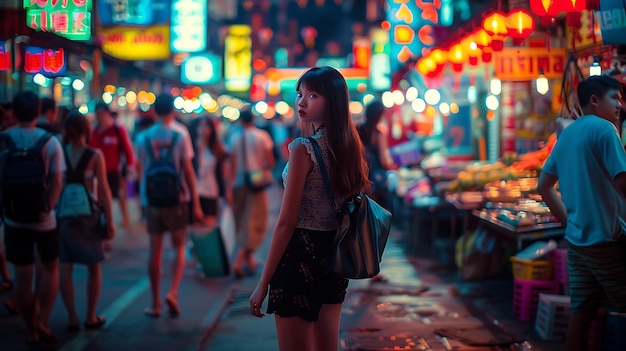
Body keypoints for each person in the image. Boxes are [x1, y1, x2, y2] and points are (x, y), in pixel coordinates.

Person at [249, 67, 369, 351]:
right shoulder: (349, 147)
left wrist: (262, 283)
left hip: (299, 255)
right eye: (300, 94)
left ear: (333, 101)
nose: (301, 102)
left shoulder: (303, 148)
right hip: (334, 257)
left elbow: (285, 223)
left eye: (312, 95)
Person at [537, 75, 626, 351]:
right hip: (605, 240)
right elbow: (623, 181)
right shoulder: (605, 129)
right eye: (615, 97)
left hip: (577, 242)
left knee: (582, 312)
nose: (620, 105)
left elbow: (544, 186)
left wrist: (569, 223)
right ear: (595, 100)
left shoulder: (567, 134)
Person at [2, 91, 65, 345]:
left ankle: (30, 330)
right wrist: (46, 208)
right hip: (44, 220)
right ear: (38, 112)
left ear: (14, 114)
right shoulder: (50, 141)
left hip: (13, 218)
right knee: (50, 268)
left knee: (22, 275)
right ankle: (43, 322)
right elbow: (57, 182)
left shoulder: (3, 140)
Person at [134, 93, 203, 317]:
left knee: (155, 250)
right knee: (179, 247)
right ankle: (172, 292)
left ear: (154, 111)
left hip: (152, 199)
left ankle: (155, 303)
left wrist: (140, 202)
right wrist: (196, 202)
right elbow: (188, 170)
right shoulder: (180, 134)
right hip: (177, 199)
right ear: (173, 111)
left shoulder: (143, 137)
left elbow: (140, 171)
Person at [58, 110, 115, 331]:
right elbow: (104, 190)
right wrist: (109, 220)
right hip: (88, 215)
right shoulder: (94, 155)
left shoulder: (60, 152)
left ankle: (72, 316)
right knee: (94, 265)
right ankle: (90, 316)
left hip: (64, 215)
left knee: (65, 265)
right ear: (87, 130)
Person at [229, 109, 275, 278]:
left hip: (238, 185)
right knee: (255, 222)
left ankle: (248, 260)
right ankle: (239, 261)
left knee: (242, 222)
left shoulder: (234, 137)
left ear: (240, 120)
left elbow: (231, 167)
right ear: (253, 119)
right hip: (256, 184)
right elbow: (269, 161)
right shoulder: (262, 136)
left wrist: (228, 189)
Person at [89, 102, 135, 228]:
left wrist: (130, 165)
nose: (98, 117)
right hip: (98, 172)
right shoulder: (95, 131)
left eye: (100, 114)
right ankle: (106, 223)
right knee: (102, 198)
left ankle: (125, 217)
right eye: (97, 114)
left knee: (120, 195)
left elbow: (127, 148)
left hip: (115, 170)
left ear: (107, 113)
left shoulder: (117, 129)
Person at [191, 116, 233, 227]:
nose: (204, 129)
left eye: (207, 126)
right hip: (193, 192)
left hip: (211, 191)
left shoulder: (218, 148)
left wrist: (228, 191)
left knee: (209, 226)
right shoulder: (191, 147)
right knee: (195, 228)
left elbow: (225, 172)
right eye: (201, 126)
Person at [357, 100, 396, 209]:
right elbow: (384, 161)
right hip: (375, 181)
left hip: (359, 179)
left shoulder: (357, 130)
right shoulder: (378, 134)